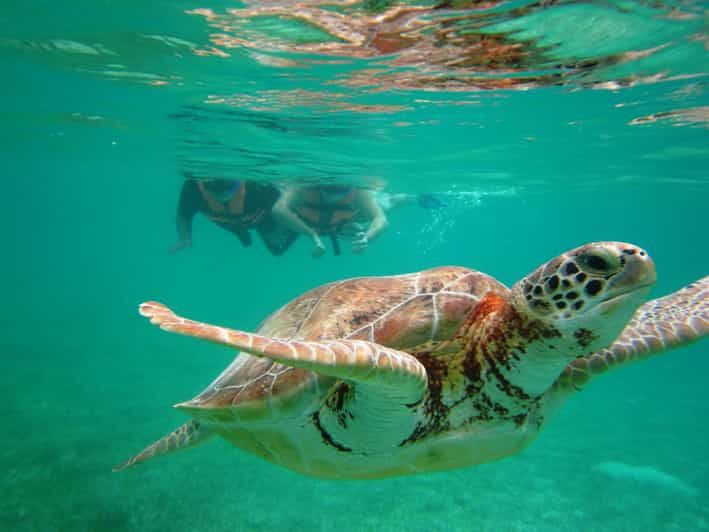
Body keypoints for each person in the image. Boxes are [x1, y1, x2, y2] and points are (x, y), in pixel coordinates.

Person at [170, 176, 298, 256]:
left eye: (225, 188)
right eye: (214, 188)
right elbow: (183, 215)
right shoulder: (193, 188)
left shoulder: (256, 187)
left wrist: (279, 226)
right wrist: (184, 238)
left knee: (278, 248)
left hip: (262, 218)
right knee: (276, 247)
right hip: (237, 224)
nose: (221, 195)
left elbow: (281, 207)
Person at [272, 184, 388, 257]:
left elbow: (381, 218)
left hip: (342, 224)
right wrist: (312, 234)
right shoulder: (302, 186)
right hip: (307, 223)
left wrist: (367, 237)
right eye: (329, 192)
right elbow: (279, 210)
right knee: (276, 250)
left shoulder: (360, 191)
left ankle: (397, 199)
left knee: (385, 206)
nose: (333, 198)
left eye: (340, 192)